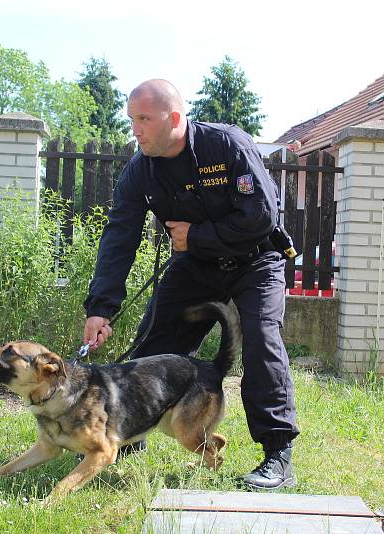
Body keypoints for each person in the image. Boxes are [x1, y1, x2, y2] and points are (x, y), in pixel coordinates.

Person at [82, 79, 299, 490]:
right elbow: (119, 235)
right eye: (132, 120)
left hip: (257, 262)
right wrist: (101, 307)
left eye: (144, 119)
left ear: (175, 118)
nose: (136, 130)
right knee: (153, 346)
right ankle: (128, 436)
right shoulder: (141, 169)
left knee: (260, 340)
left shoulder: (226, 146)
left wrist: (195, 236)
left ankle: (277, 455)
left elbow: (261, 216)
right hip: (196, 267)